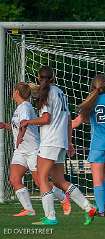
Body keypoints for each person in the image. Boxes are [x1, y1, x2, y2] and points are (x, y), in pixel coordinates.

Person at [20, 66, 95, 225]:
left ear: (39, 78)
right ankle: (88, 207)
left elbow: (46, 119)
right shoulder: (61, 93)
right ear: (53, 78)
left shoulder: (47, 94)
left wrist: (28, 122)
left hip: (50, 142)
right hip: (60, 141)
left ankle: (51, 217)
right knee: (59, 180)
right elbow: (68, 120)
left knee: (42, 178)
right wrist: (68, 142)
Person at [0, 82, 71, 217]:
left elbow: (25, 126)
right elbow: (19, 126)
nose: (12, 93)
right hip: (21, 151)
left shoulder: (25, 107)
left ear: (16, 92)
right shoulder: (19, 108)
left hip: (32, 150)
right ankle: (29, 209)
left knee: (40, 181)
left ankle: (63, 198)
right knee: (14, 179)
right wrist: (5, 125)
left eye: (13, 91)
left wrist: (20, 137)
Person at [72, 74, 105, 217]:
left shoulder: (91, 102)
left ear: (92, 87)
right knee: (103, 175)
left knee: (97, 178)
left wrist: (60, 128)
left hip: (99, 144)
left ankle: (101, 210)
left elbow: (76, 122)